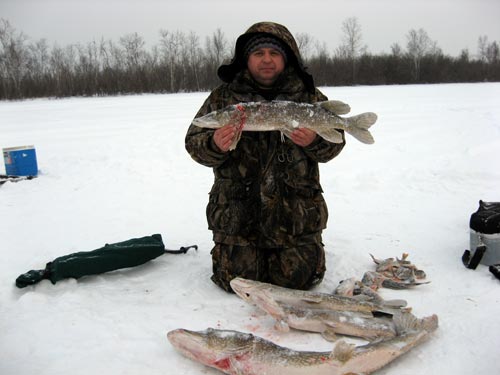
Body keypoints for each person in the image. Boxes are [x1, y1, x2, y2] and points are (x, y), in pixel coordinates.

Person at [185, 22, 345, 292]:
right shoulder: (223, 99)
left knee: (300, 280)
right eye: (259, 53)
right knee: (236, 281)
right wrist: (214, 144)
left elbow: (335, 142)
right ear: (247, 59)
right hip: (239, 217)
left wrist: (314, 141)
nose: (267, 60)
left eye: (274, 53)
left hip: (294, 218)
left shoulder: (308, 96)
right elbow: (193, 142)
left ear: (287, 57)